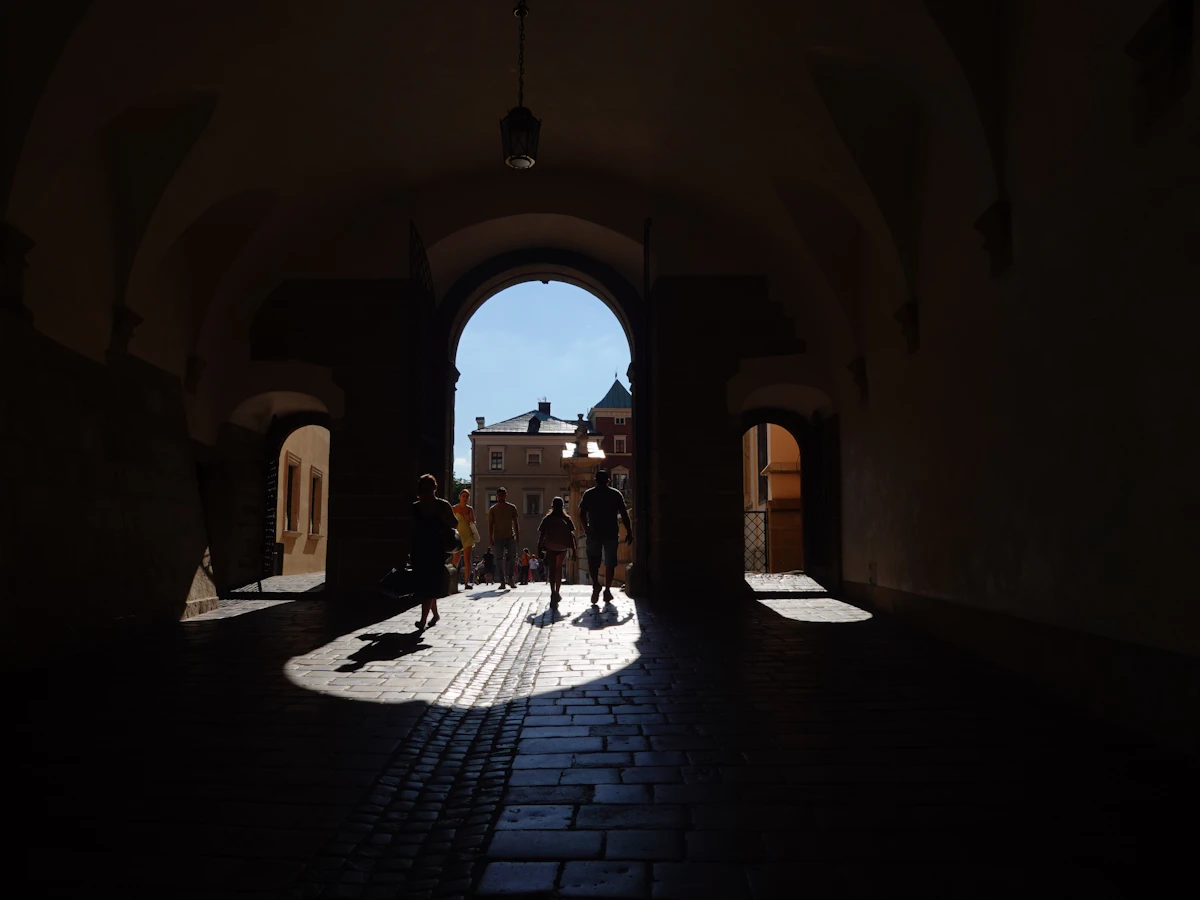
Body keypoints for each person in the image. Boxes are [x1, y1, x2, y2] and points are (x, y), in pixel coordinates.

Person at [411, 473, 458, 632]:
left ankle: (423, 620)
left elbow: (455, 523)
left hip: (428, 549)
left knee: (428, 584)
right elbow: (455, 523)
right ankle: (435, 615)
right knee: (428, 584)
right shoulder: (439, 505)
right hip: (429, 548)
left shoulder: (419, 507)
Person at [577, 469, 632, 605]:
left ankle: (596, 584)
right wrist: (629, 532)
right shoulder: (615, 494)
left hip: (594, 532)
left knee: (593, 561)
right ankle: (607, 590)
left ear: (595, 481)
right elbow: (624, 514)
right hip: (611, 532)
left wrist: (586, 529)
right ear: (608, 481)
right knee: (610, 562)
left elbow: (581, 514)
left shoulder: (589, 494)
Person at [538, 496, 577, 606]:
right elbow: (571, 536)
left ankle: (552, 592)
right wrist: (574, 551)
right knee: (558, 568)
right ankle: (557, 591)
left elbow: (541, 535)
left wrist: (539, 548)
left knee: (552, 569)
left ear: (552, 506)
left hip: (550, 546)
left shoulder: (547, 519)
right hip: (562, 547)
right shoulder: (567, 519)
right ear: (562, 506)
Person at [487, 487, 520, 589]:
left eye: (502, 496)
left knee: (512, 557)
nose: (500, 497)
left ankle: (510, 578)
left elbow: (515, 522)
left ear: (506, 496)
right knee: (499, 559)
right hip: (498, 537)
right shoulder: (493, 510)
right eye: (499, 496)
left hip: (510, 536)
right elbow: (490, 524)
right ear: (497, 496)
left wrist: (517, 535)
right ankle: (502, 581)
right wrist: (490, 537)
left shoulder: (511, 508)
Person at [452, 488, 477, 588]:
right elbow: (451, 521)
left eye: (467, 497)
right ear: (460, 497)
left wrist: (469, 519)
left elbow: (474, 522)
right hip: (458, 536)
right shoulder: (454, 508)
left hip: (468, 535)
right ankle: (453, 581)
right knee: (456, 559)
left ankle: (467, 582)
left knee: (467, 559)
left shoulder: (470, 509)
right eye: (463, 496)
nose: (465, 498)